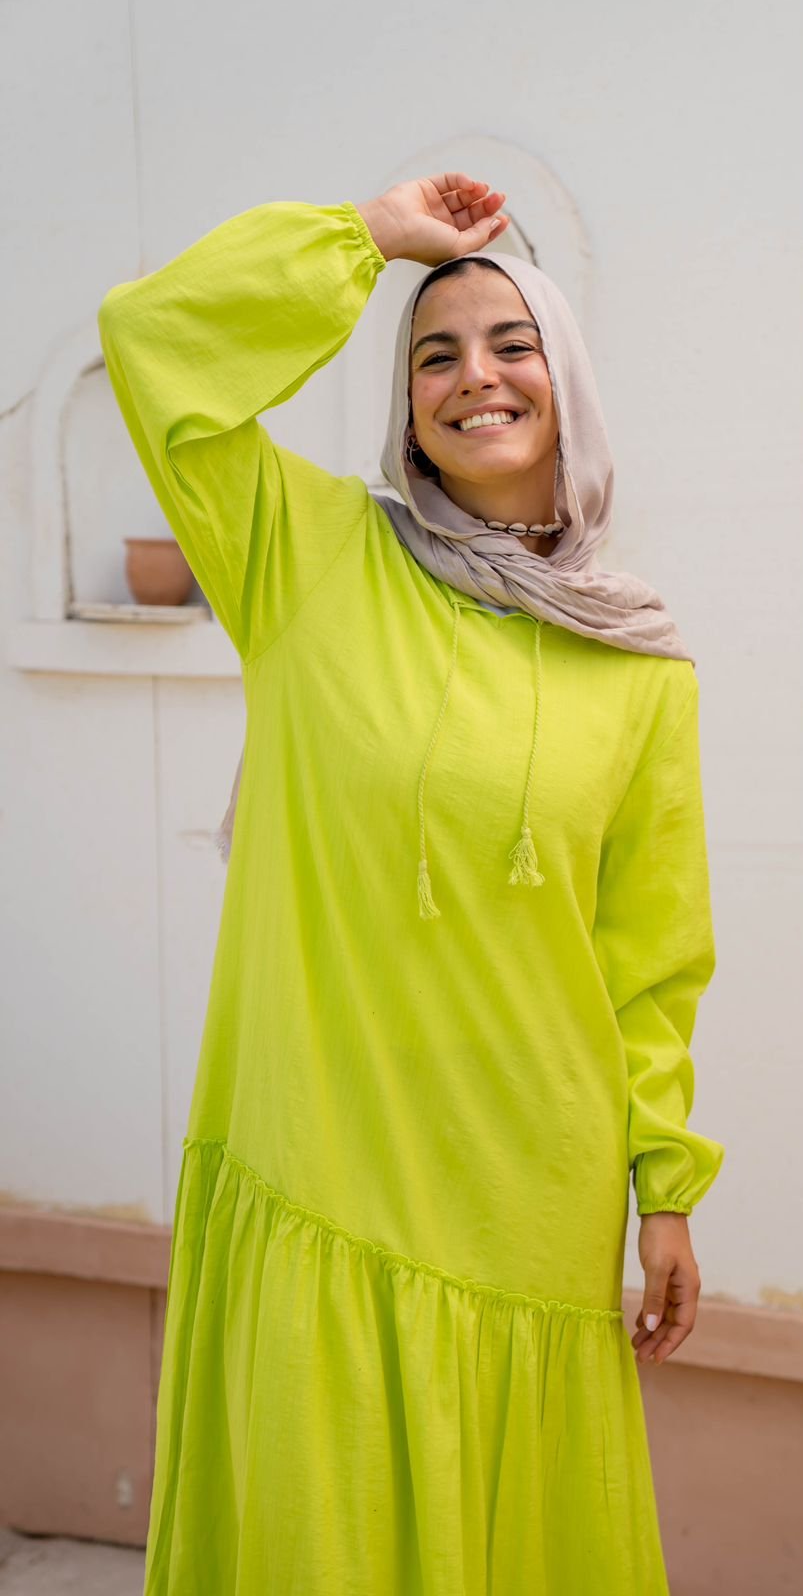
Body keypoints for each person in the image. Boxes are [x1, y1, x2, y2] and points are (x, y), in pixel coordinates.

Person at [98, 171, 726, 1595]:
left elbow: (650, 957)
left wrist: (666, 1188)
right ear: (405, 405)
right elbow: (154, 343)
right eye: (433, 354)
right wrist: (368, 241)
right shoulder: (305, 557)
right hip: (321, 1157)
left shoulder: (639, 665)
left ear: (567, 383)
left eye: (511, 343)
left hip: (529, 1185)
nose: (474, 376)